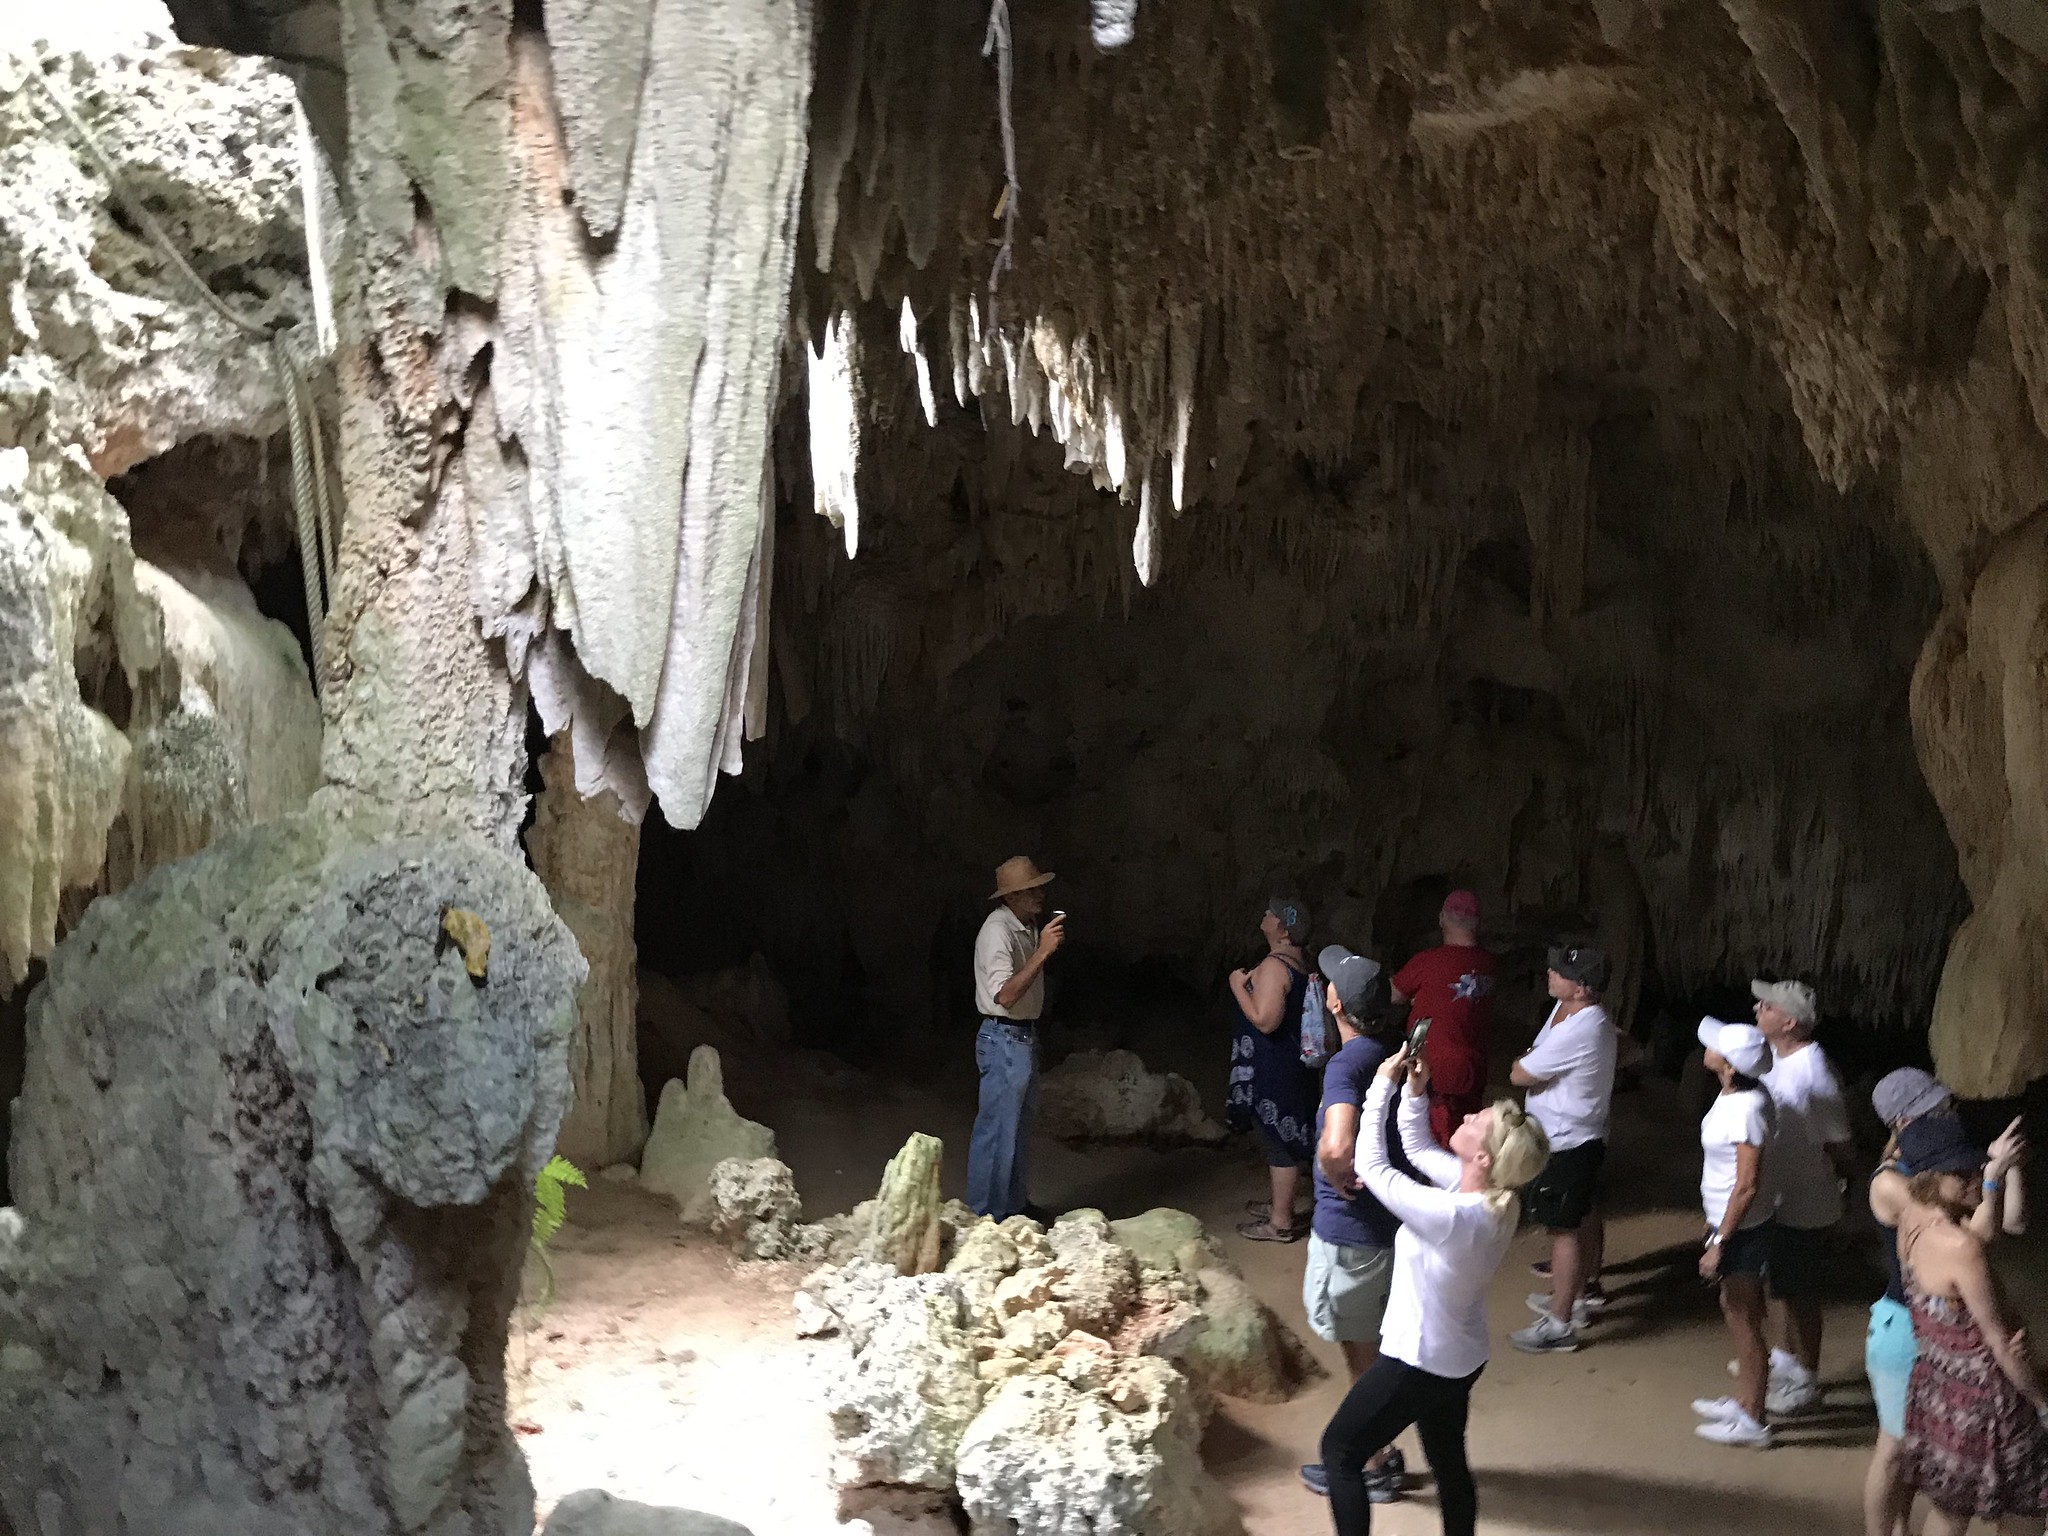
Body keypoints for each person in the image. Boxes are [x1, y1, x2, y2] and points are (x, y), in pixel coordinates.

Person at [1319, 1043, 1550, 1536]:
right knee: (1448, 1463)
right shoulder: (1494, 1198)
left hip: (1418, 1361)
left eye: (1474, 1124)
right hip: (1459, 1358)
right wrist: (1413, 1092)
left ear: (1483, 1156)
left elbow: (1374, 1167)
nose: (1466, 1118)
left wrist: (1380, 1087)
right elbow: (1420, 1149)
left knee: (1340, 1453)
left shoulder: (1452, 1216)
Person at [1865, 1105, 2028, 1536]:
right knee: (1895, 1453)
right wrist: (2041, 1401)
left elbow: (1996, 1227)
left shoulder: (1914, 1218)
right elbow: (1976, 1246)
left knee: (1947, 1500)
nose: (1973, 1175)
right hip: (1956, 1374)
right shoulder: (1933, 1224)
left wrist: (1995, 1175)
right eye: (1966, 1169)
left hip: (1935, 1371)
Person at [1299, 945, 1404, 1503]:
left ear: (1336, 1001)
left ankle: (1373, 1461)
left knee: (1361, 1352)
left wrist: (1331, 1164)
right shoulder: (1390, 1049)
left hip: (1353, 1231)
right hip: (1387, 1227)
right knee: (1375, 1344)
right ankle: (1379, 1447)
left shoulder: (1347, 1063)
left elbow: (1338, 1143)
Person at [1509, 942, 1617, 1354]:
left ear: (1582, 988)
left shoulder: (1583, 1026)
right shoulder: (1569, 1012)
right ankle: (1576, 1295)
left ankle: (1559, 1322)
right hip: (1575, 1135)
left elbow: (1520, 1073)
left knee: (1563, 1228)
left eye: (1560, 972)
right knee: (1583, 1214)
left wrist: (1533, 1064)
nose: (1550, 974)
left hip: (1569, 1139)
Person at [1753, 978, 1855, 1414]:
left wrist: (1847, 1195)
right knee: (1778, 1284)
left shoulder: (1815, 1071)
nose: (1757, 1007)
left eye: (1767, 1005)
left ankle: (1807, 1376)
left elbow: (1841, 1143)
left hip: (1806, 1199)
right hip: (1775, 1195)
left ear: (1790, 1021)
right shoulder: (1770, 1059)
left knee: (1802, 1292)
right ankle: (1783, 1360)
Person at [1689, 1018, 1781, 1449]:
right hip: (1730, 1223)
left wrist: (1719, 1242)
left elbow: (1746, 1185)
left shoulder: (1746, 1110)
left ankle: (1753, 1417)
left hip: (1740, 1229)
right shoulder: (1740, 1094)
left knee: (1745, 1320)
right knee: (1736, 1311)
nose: (1708, 1048)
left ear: (1729, 1068)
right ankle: (1744, 1398)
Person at [967, 856, 1064, 1221]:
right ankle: (984, 1215)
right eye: (1030, 890)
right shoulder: (997, 932)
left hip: (1021, 1038)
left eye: (1039, 887)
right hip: (1003, 1037)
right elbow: (1005, 996)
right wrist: (1042, 952)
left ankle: (1013, 1206)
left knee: (1018, 1128)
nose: (1039, 894)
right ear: (1011, 897)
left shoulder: (1024, 925)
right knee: (996, 1130)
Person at [1227, 897, 1318, 1243]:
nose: (1264, 916)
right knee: (1284, 1137)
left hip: (1275, 1065)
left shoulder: (1275, 967)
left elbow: (1266, 1021)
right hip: (1293, 1063)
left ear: (1282, 927)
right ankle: (1281, 1205)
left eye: (1271, 914)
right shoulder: (1296, 961)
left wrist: (1238, 987)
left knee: (1278, 1141)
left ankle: (1280, 1221)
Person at [1390, 890, 1498, 1149]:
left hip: (1435, 1072)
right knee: (1469, 1136)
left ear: (1442, 919)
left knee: (1433, 1144)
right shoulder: (1490, 965)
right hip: (1474, 1068)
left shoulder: (1427, 962)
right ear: (1478, 923)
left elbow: (1393, 995)